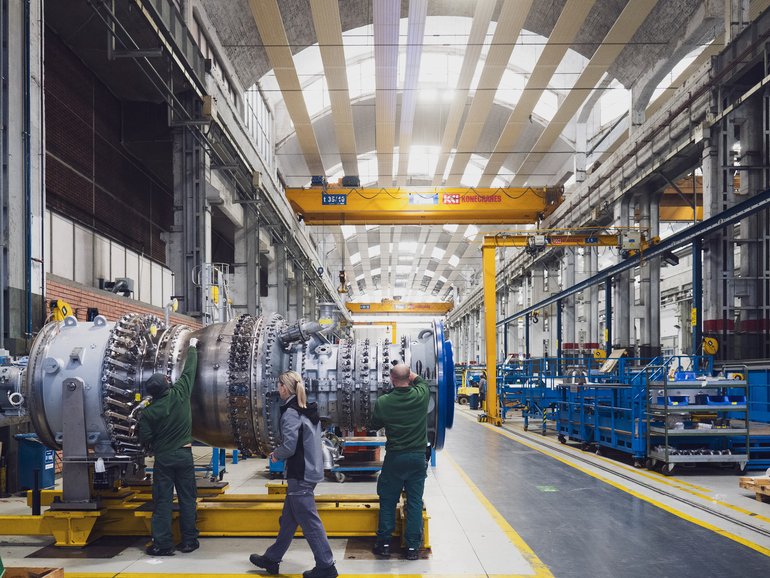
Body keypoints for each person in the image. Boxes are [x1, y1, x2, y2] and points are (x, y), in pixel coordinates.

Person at [250, 371, 338, 578]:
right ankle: (272, 558)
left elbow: (289, 447)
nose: (277, 388)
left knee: (309, 521)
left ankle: (326, 566)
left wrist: (275, 455)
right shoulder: (307, 409)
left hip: (300, 474)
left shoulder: (290, 412)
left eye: (279, 385)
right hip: (310, 470)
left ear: (284, 388)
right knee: (289, 519)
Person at [137, 336, 200, 556]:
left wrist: (156, 443)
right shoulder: (180, 394)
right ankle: (190, 541)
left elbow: (144, 438)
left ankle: (163, 545)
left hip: (164, 459)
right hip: (184, 455)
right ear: (167, 384)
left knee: (162, 501)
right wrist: (192, 348)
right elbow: (189, 371)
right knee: (187, 499)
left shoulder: (148, 413)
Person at [370, 363, 429, 561]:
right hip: (417, 458)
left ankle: (384, 544)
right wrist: (412, 375)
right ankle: (412, 548)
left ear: (392, 379)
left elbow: (375, 425)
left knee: (388, 501)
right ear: (409, 377)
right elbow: (421, 381)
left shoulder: (383, 402)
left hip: (395, 458)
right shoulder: (421, 395)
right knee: (414, 503)